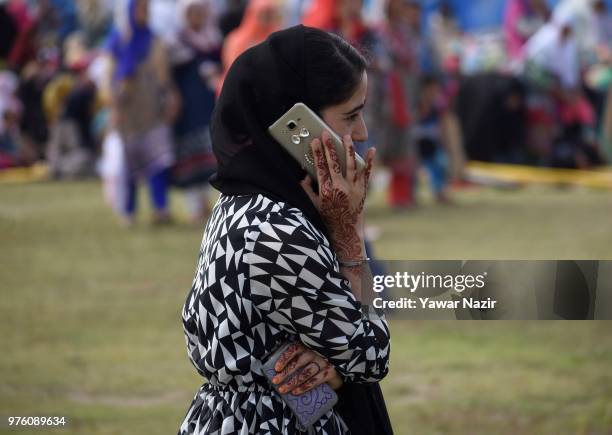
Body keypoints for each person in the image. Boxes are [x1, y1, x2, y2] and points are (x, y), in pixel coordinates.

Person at [178, 25, 392, 435]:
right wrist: (350, 235)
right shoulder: (276, 230)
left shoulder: (245, 205)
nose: (362, 132)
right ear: (297, 123)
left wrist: (336, 372)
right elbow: (371, 353)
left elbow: (299, 363)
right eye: (350, 115)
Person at [104, 0, 179, 226]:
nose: (144, 13)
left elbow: (164, 76)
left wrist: (170, 99)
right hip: (127, 113)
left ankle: (161, 208)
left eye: (146, 9)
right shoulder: (119, 41)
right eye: (140, 9)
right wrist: (114, 105)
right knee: (129, 164)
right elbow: (108, 78)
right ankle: (128, 211)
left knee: (159, 161)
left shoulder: (154, 40)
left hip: (152, 111)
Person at [169, 0, 222, 223]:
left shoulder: (213, 39)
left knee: (209, 158)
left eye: (201, 11)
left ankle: (207, 204)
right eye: (193, 12)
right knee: (190, 158)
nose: (198, 16)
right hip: (187, 108)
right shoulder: (177, 42)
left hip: (208, 106)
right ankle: (194, 208)